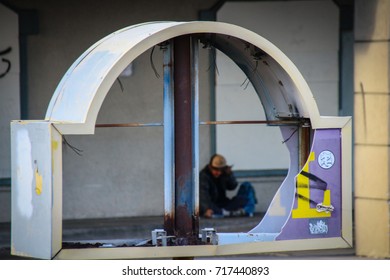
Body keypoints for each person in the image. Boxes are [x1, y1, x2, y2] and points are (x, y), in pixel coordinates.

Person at [199, 154, 257, 218]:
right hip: (212, 205)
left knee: (247, 186)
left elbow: (232, 186)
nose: (218, 172)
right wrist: (206, 209)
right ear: (210, 167)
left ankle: (239, 212)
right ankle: (230, 213)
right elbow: (203, 195)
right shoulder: (204, 176)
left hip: (224, 204)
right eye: (216, 169)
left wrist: (229, 175)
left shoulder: (224, 174)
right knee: (210, 208)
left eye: (221, 170)